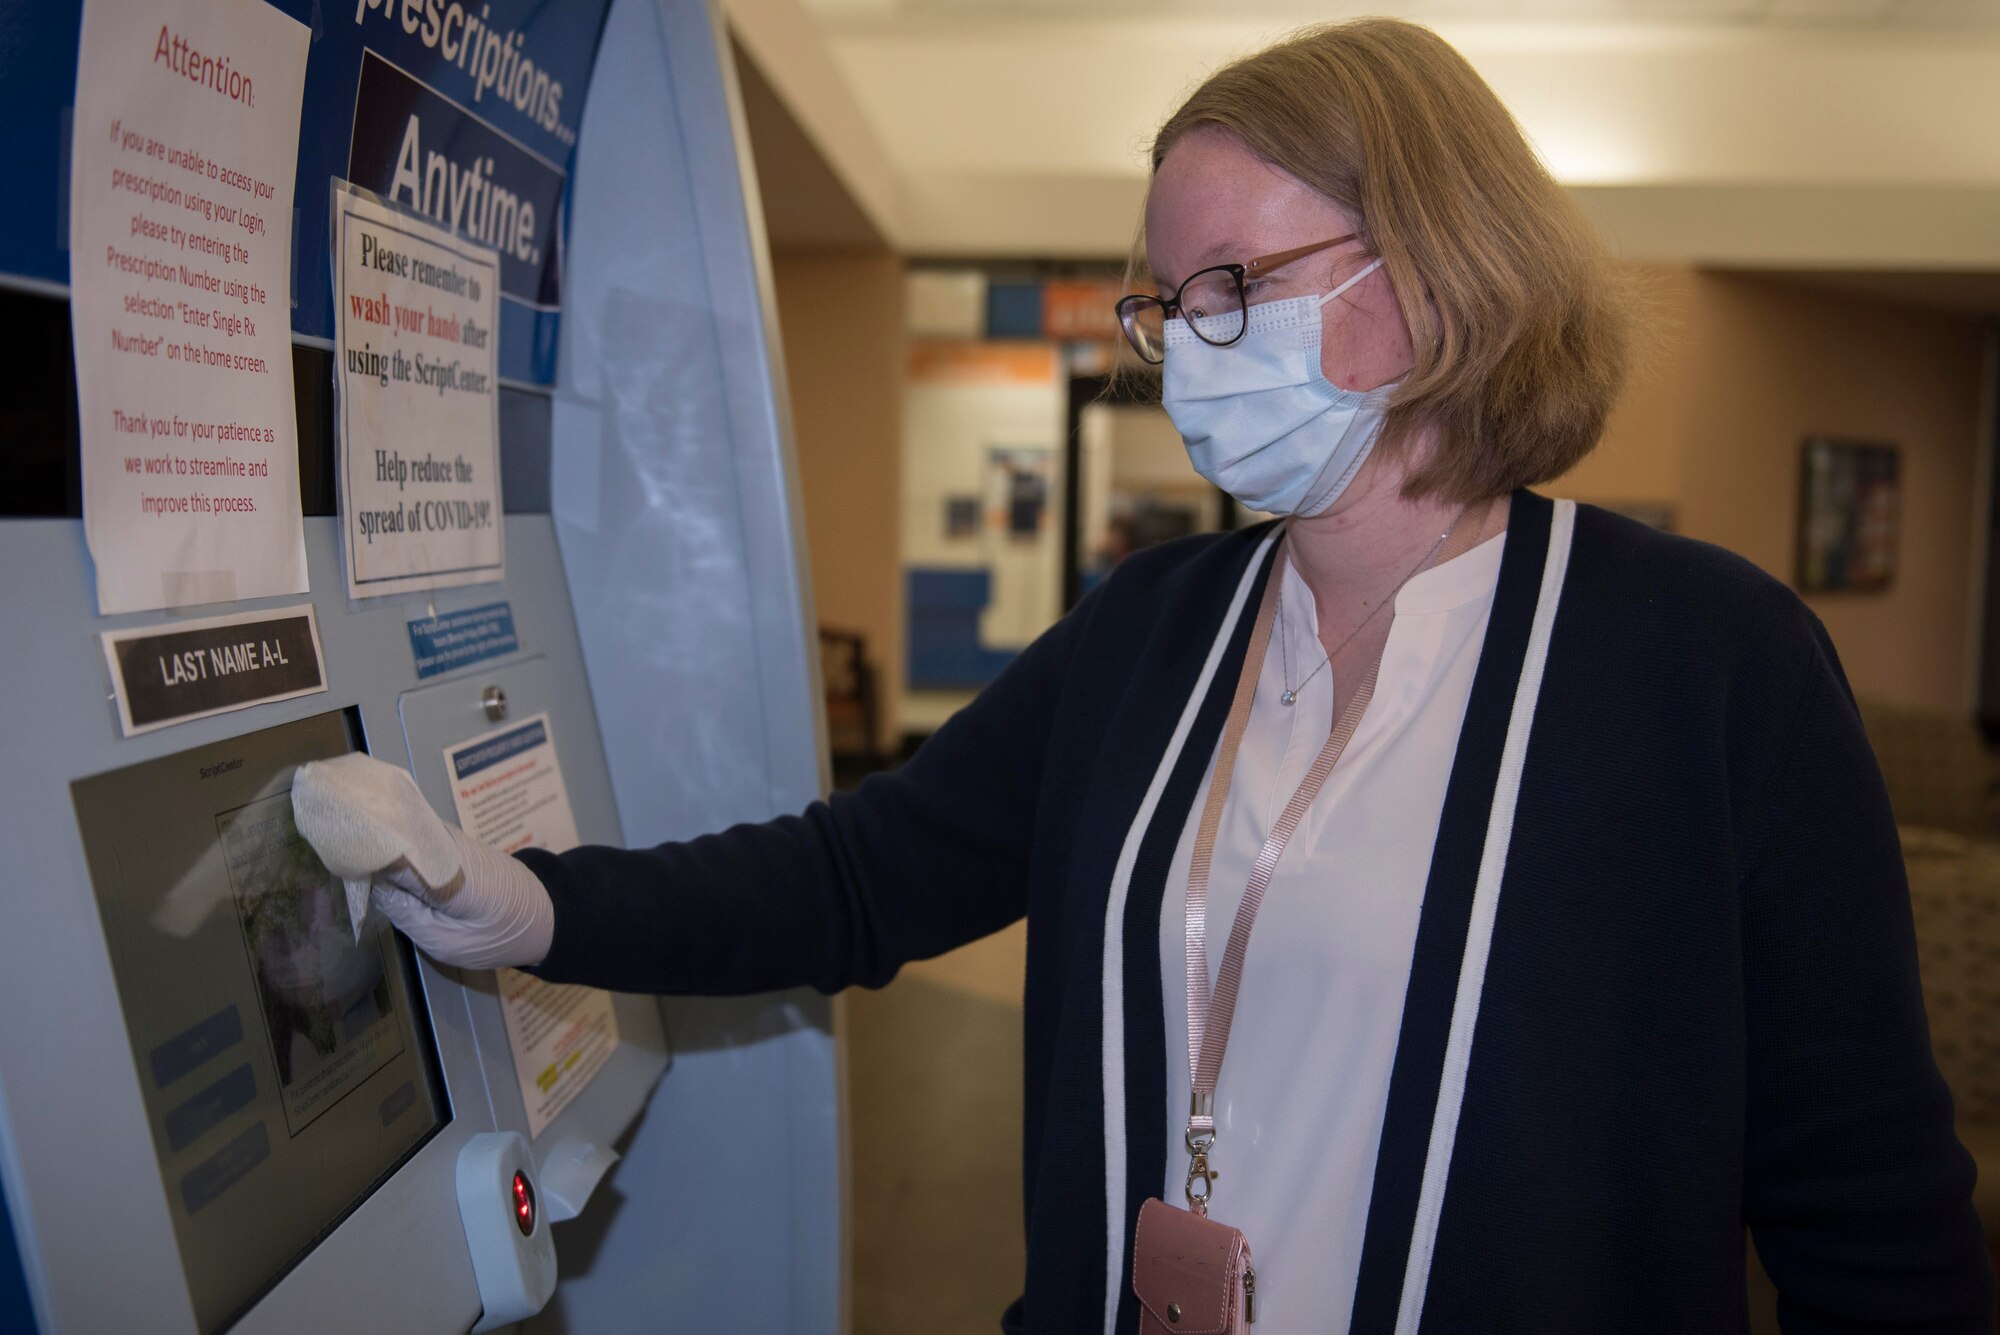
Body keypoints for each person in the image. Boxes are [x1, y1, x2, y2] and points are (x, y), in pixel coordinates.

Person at [291, 18, 1994, 1332]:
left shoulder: (1705, 665)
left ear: (1435, 276)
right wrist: (532, 908)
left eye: (1238, 284)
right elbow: (857, 880)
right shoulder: (1156, 630)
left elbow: (1864, 1203)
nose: (1191, 344)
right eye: (1167, 302)